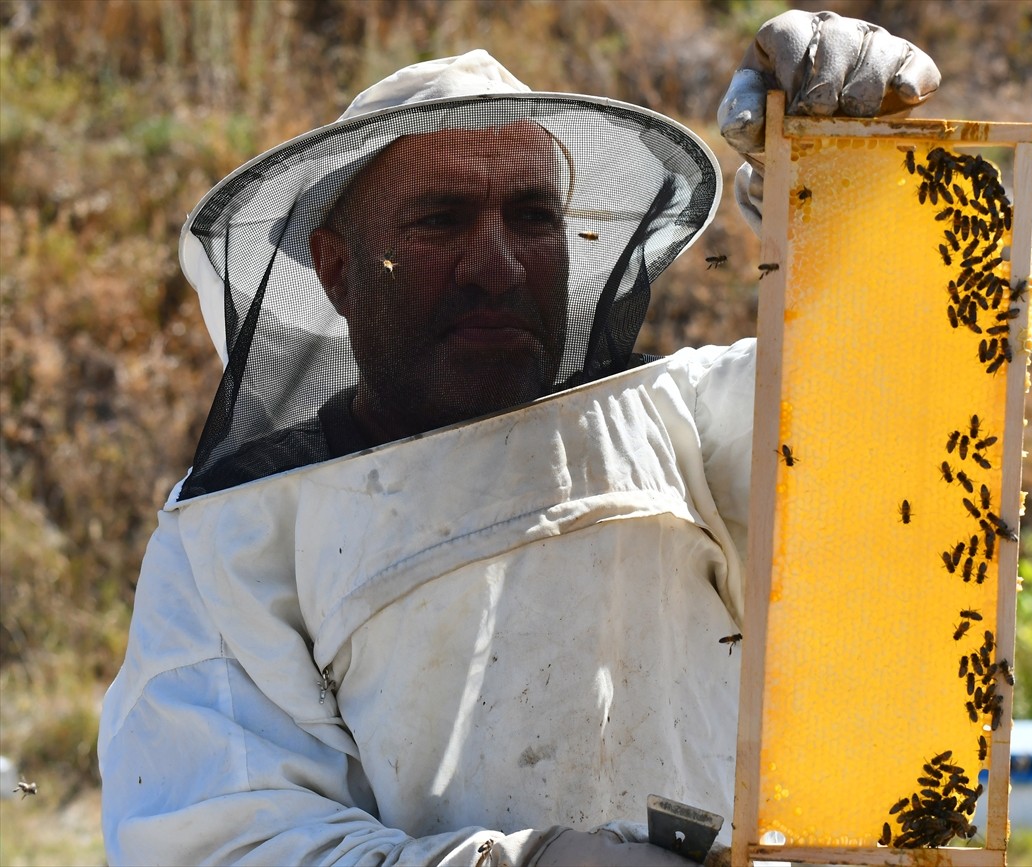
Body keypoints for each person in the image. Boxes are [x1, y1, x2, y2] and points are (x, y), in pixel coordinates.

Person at [99, 11, 939, 865]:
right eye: (441, 220)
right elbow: (227, 838)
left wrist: (848, 183)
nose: (497, 266)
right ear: (337, 267)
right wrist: (531, 861)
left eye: (533, 217)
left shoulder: (680, 419)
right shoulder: (236, 535)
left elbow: (889, 416)